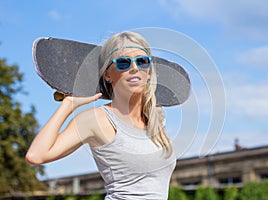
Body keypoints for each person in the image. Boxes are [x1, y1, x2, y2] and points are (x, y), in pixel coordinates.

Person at [26, 31, 176, 199]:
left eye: (142, 61)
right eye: (123, 63)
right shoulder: (96, 120)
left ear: (149, 72)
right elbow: (36, 155)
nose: (134, 68)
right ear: (107, 74)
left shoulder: (155, 120)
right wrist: (69, 105)